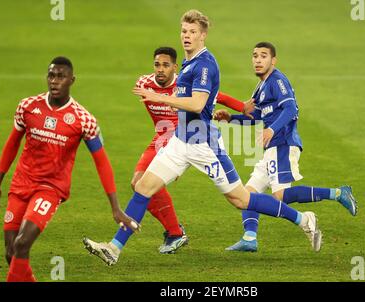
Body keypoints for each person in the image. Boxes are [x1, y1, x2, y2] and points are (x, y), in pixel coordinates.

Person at [83, 46, 254, 263]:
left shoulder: (183, 82)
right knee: (139, 184)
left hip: (183, 135)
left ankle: (171, 233)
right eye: (157, 65)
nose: (160, 70)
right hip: (160, 136)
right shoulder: (144, 84)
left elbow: (216, 97)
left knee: (144, 184)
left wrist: (243, 108)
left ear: (175, 67)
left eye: (166, 65)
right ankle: (170, 233)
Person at [0, 57, 138, 282]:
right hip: (21, 183)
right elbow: (12, 144)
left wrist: (115, 208)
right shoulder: (27, 106)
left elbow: (102, 162)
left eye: (61, 77)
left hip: (50, 188)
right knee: (12, 253)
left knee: (22, 243)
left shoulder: (83, 119)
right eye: (51, 76)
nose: (54, 81)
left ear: (71, 80)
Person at [213, 42, 358, 252]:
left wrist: (272, 130)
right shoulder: (261, 87)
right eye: (254, 56)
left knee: (279, 195)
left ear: (273, 60)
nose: (258, 60)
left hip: (283, 143)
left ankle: (337, 194)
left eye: (263, 56)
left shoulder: (277, 80)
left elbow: (290, 108)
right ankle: (250, 237)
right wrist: (231, 119)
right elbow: (258, 117)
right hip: (271, 146)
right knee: (248, 193)